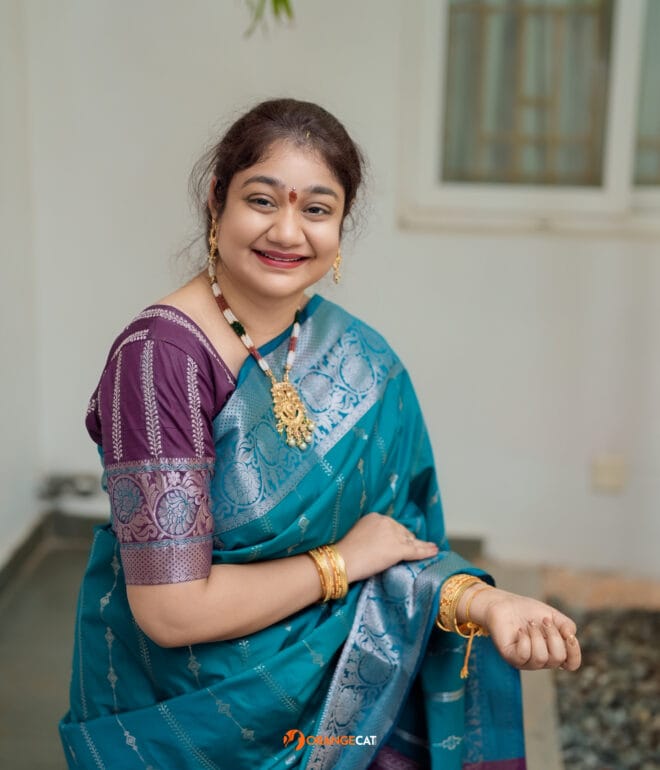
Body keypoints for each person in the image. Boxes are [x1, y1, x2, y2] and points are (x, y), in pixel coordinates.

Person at [59, 98, 581, 770]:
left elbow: (397, 542)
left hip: (340, 725)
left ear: (340, 226)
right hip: (184, 726)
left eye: (316, 209)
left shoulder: (361, 359)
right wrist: (338, 564)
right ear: (217, 201)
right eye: (262, 200)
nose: (287, 232)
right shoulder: (161, 362)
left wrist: (486, 603)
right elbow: (171, 613)